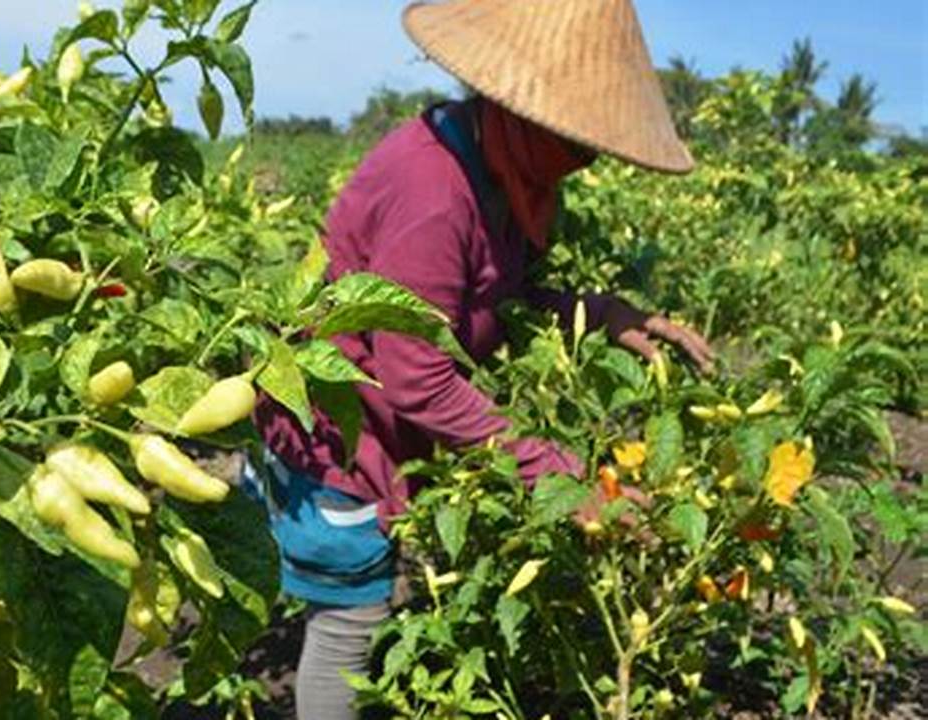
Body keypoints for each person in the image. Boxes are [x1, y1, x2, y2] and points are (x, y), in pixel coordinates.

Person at [240, 0, 716, 717]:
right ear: (523, 112)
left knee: (328, 595)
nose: (583, 162)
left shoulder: (491, 170)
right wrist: (561, 479)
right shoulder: (435, 191)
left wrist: (600, 313)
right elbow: (415, 375)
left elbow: (495, 299)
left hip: (375, 432)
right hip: (337, 441)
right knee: (347, 620)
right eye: (575, 141)